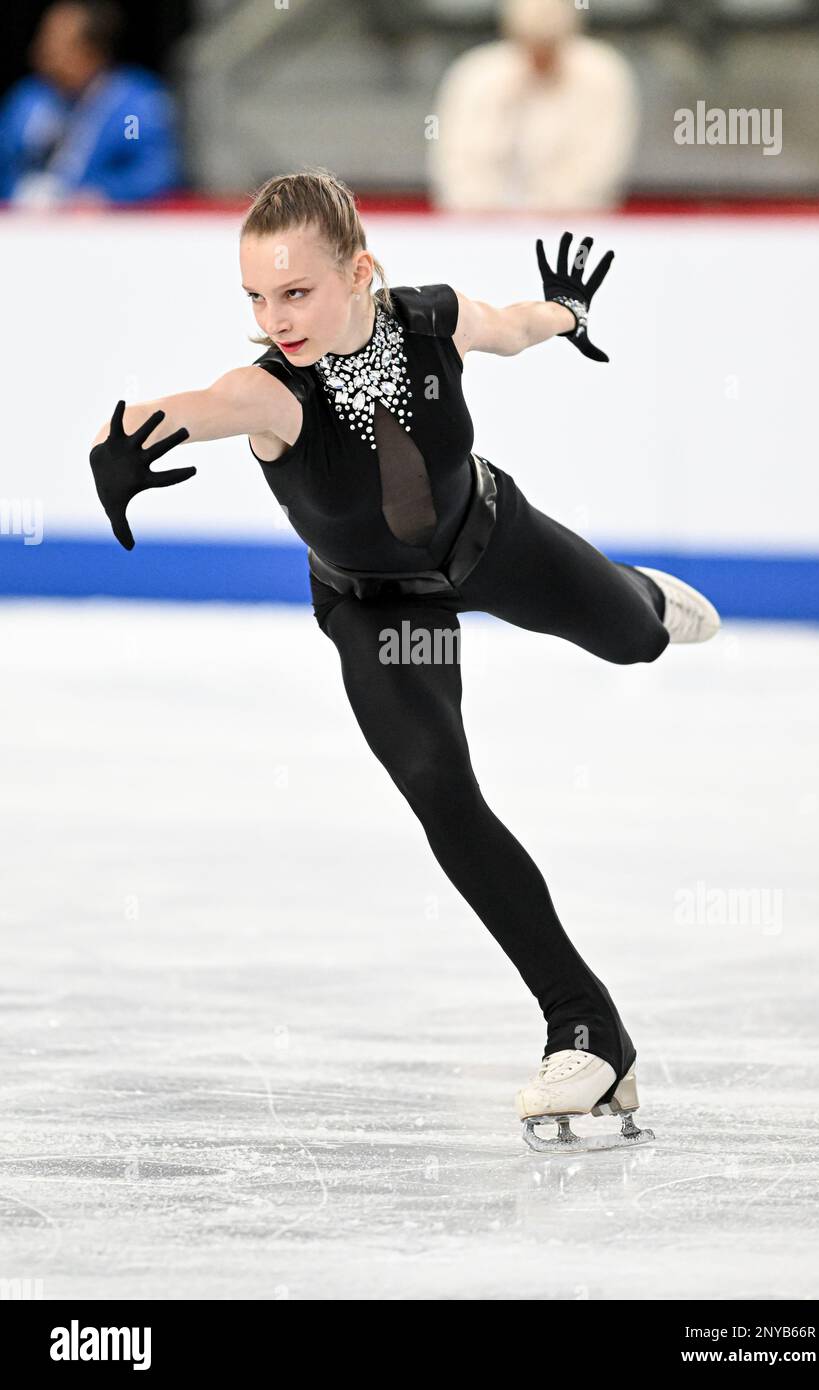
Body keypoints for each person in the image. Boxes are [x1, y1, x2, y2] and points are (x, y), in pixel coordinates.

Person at [88, 169, 720, 1153]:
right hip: (379, 608)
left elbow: (510, 325)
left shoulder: (429, 320)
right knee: (440, 790)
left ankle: (637, 593)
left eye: (295, 292)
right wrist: (113, 449)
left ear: (360, 273)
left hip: (491, 538)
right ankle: (585, 1028)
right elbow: (182, 407)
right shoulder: (272, 394)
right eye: (256, 297)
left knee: (636, 640)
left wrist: (565, 312)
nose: (274, 318)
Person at [428, 0, 639, 213]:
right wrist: (488, 210)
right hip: (483, 223)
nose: (539, 57)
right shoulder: (475, 76)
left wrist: (548, 209)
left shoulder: (604, 76)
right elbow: (455, 163)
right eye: (531, 45)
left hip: (576, 222)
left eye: (549, 46)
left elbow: (602, 164)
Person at [0, 0, 182, 207]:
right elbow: (6, 161)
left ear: (92, 50)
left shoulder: (133, 109)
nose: (43, 51)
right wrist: (20, 190)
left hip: (104, 221)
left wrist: (104, 193)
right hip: (30, 219)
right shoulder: (28, 100)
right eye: (43, 39)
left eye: (57, 43)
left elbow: (154, 171)